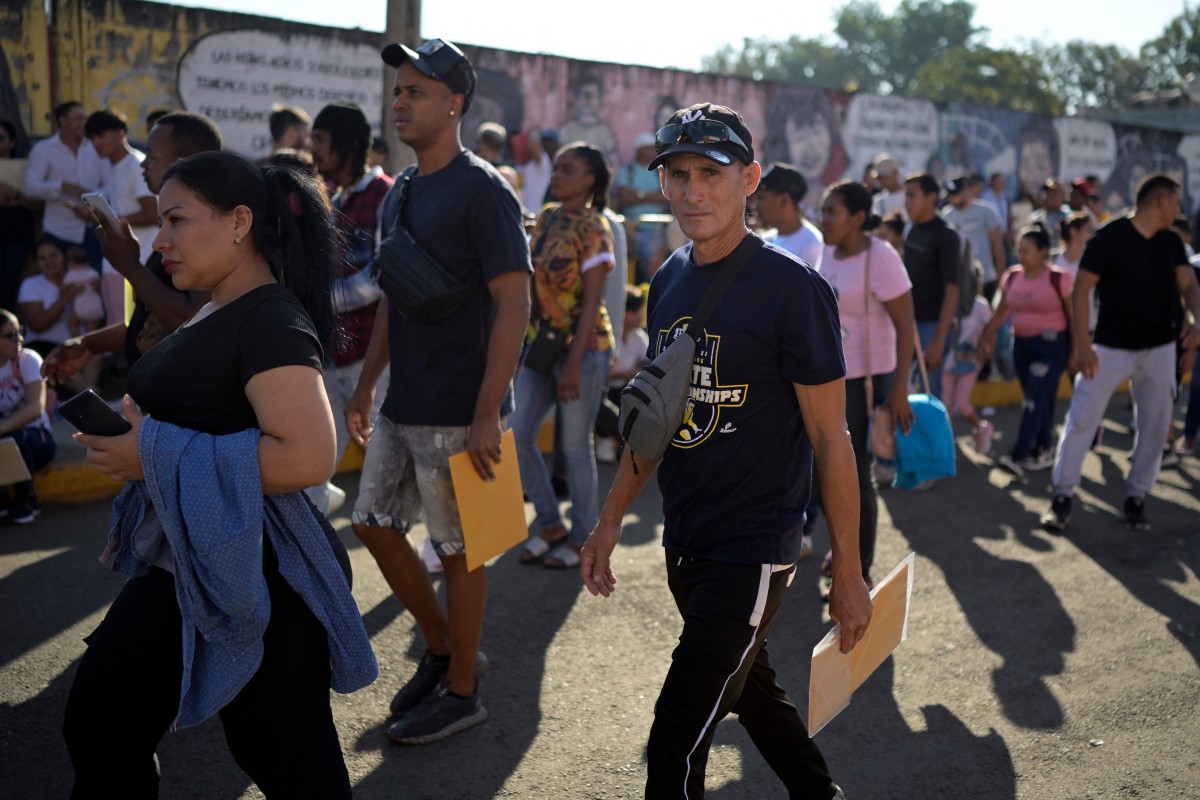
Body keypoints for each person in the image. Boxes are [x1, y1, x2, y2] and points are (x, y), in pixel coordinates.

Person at [61, 149, 377, 798]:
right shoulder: (222, 307)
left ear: (239, 222)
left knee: (290, 766)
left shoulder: (271, 321)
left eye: (175, 220)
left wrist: (151, 452)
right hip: (195, 560)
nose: (163, 240)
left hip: (258, 574)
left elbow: (307, 457)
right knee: (101, 723)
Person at [579, 101, 868, 800]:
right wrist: (611, 518)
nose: (691, 190)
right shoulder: (671, 277)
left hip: (755, 547)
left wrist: (850, 570)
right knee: (748, 690)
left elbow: (832, 437)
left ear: (749, 180)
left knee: (676, 736)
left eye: (710, 172)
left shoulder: (793, 289)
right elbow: (656, 419)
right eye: (677, 173)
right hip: (687, 539)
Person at [345, 37, 531, 744]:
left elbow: (514, 303)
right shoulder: (405, 193)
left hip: (462, 408)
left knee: (460, 552)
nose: (400, 102)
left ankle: (462, 691)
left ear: (454, 103)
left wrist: (489, 409)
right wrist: (365, 385)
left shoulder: (484, 191)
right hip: (403, 399)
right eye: (398, 91)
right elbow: (396, 292)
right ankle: (445, 644)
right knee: (372, 523)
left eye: (416, 91)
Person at [1040, 174, 1200, 532]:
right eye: (1175, 202)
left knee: (1155, 427)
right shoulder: (1108, 237)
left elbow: (1188, 285)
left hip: (1159, 347)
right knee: (1081, 419)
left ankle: (1136, 497)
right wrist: (1082, 346)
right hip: (1109, 348)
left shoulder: (1171, 243)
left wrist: (1197, 319)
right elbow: (1081, 290)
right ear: (1160, 202)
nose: (1179, 209)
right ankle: (1062, 497)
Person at [41, 111, 222, 387]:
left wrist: (129, 265)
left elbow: (191, 320)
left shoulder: (207, 227)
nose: (142, 164)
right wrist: (88, 343)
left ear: (183, 162)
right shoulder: (175, 225)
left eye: (151, 156)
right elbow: (149, 323)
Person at [513, 142, 615, 569]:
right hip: (541, 346)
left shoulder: (596, 227)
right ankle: (550, 524)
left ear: (590, 178)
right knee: (517, 434)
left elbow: (592, 302)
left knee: (574, 446)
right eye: (555, 168)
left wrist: (573, 362)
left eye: (567, 169)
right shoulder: (550, 217)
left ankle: (581, 538)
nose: (557, 175)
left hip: (585, 350)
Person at [816, 179, 915, 587]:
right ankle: (843, 550)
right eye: (822, 212)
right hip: (826, 378)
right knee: (823, 473)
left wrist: (900, 391)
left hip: (865, 382)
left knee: (854, 474)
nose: (823, 221)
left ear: (858, 218)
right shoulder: (827, 252)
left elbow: (906, 326)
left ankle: (857, 568)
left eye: (831, 213)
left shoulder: (882, 257)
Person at [306, 101, 395, 515]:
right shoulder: (332, 197)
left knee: (383, 457)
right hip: (332, 351)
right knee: (315, 456)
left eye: (321, 140)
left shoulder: (384, 195)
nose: (314, 149)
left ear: (347, 144)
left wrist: (323, 300)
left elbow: (384, 275)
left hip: (371, 355)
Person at [978, 224, 1073, 478]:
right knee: (1041, 398)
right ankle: (1044, 449)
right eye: (1019, 250)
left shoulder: (1058, 277)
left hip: (1052, 347)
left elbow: (1073, 315)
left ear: (1043, 251)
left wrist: (1078, 350)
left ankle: (1019, 455)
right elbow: (1001, 312)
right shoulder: (1012, 276)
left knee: (1033, 397)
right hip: (1022, 346)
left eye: (1027, 251)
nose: (1021, 255)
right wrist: (986, 337)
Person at [82, 107, 158, 327]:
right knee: (119, 334)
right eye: (92, 137)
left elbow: (151, 213)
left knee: (130, 334)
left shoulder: (137, 165)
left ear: (121, 134)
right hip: (119, 266)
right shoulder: (117, 167)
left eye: (101, 135)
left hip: (138, 265)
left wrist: (106, 218)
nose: (96, 142)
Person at [22, 101, 108, 267]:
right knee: (58, 286)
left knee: (93, 284)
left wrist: (92, 200)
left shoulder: (95, 147)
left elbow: (111, 184)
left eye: (85, 118)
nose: (84, 123)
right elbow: (29, 187)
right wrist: (60, 186)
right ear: (62, 121)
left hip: (94, 230)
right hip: (58, 231)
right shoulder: (43, 149)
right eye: (79, 118)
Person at [903, 172, 961, 400]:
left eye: (912, 196)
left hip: (932, 327)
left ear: (931, 198)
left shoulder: (946, 235)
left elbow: (953, 290)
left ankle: (934, 437)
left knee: (929, 394)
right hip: (909, 323)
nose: (907, 202)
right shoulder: (912, 230)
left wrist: (938, 340)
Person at [18, 240, 99, 393]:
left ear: (64, 258)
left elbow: (97, 315)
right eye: (42, 258)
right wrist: (65, 299)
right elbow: (37, 325)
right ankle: (91, 394)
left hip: (80, 341)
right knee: (59, 359)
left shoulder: (81, 277)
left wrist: (98, 293)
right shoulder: (31, 285)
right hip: (44, 344)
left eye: (54, 255)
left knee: (96, 355)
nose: (49, 261)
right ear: (36, 263)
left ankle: (89, 393)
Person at [0, 308, 55, 524]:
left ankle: (27, 499)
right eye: (11, 335)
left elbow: (35, 408)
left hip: (37, 441)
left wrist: (2, 427)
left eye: (19, 331)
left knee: (15, 434)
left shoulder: (29, 359)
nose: (19, 339)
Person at [595, 284, 650, 462]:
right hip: (605, 390)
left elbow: (651, 361)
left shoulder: (639, 336)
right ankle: (610, 439)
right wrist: (626, 373)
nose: (639, 315)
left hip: (625, 390)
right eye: (633, 310)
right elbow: (600, 374)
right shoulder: (608, 336)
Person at [942, 270, 994, 453]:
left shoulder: (981, 305)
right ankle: (945, 445)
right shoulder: (949, 303)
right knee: (945, 405)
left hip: (970, 362)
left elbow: (991, 329)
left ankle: (982, 429)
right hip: (948, 362)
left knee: (962, 405)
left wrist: (986, 348)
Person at [616, 132, 674, 282]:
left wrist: (638, 194)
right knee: (626, 270)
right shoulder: (627, 172)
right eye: (648, 148)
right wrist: (652, 195)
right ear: (638, 150)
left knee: (654, 271)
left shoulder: (658, 173)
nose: (652, 152)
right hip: (630, 230)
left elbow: (665, 196)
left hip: (654, 232)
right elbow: (624, 199)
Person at [942, 175, 1006, 296]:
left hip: (986, 277)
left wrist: (1001, 277)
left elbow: (997, 246)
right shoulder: (946, 215)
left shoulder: (986, 211)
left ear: (966, 191)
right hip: (959, 280)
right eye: (950, 195)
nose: (952, 199)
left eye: (956, 194)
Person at [0, 118, 40, 312]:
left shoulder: (28, 169)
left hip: (18, 237)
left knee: (14, 284)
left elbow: (38, 204)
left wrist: (14, 195)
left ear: (12, 142)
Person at [754, 161, 823, 267]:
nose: (756, 205)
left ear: (783, 200)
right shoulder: (766, 240)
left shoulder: (812, 245)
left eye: (761, 198)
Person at [62, 246, 105, 335]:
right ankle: (90, 345)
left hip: (81, 307)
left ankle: (79, 342)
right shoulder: (92, 272)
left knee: (72, 324)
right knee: (92, 327)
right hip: (95, 306)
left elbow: (63, 288)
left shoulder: (70, 275)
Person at [870, 154, 906, 220]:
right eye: (880, 178)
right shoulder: (877, 201)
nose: (883, 181)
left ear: (895, 173)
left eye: (885, 177)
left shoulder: (909, 197)